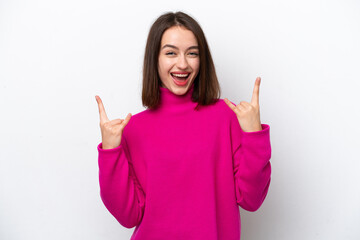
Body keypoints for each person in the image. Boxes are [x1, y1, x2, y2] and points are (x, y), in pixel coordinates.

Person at [95, 11, 271, 240]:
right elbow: (127, 215)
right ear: (154, 59)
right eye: (171, 53)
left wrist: (253, 135)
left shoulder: (228, 117)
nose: (183, 64)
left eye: (192, 53)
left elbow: (252, 199)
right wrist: (110, 152)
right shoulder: (132, 129)